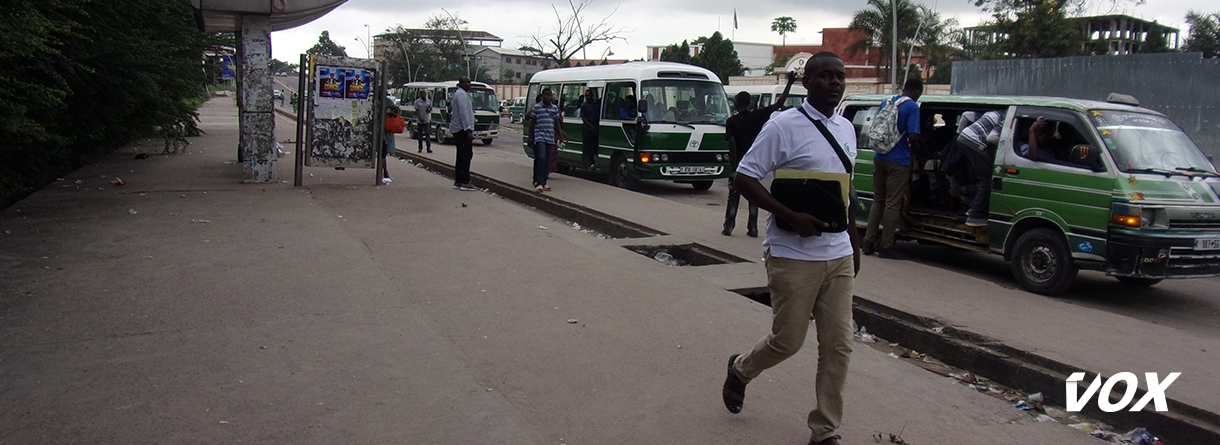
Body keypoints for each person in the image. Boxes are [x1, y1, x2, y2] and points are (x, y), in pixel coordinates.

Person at [721, 52, 861, 445]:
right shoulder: (784, 126)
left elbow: (844, 193)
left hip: (838, 256)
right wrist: (792, 216)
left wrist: (854, 240)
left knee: (839, 345)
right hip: (792, 254)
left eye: (840, 76)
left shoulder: (847, 129)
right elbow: (744, 178)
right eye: (826, 76)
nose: (835, 82)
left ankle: (825, 429)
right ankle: (741, 369)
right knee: (788, 341)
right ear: (806, 83)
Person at [723, 71, 799, 237]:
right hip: (755, 163)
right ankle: (753, 228)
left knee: (733, 197)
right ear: (750, 103)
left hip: (739, 163)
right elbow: (779, 103)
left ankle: (728, 227)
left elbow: (732, 144)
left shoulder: (732, 121)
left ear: (737, 103)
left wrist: (734, 165)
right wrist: (789, 84)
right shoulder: (758, 116)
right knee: (753, 197)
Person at [863, 78, 923, 259]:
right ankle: (886, 246)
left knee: (878, 200)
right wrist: (921, 150)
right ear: (916, 91)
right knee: (892, 204)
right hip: (898, 160)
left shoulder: (887, 102)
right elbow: (913, 135)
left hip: (879, 156)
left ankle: (868, 241)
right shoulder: (912, 106)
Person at [949, 109, 1005, 226]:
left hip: (963, 138)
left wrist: (959, 134)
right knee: (988, 179)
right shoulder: (1003, 119)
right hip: (975, 142)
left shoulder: (990, 114)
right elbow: (992, 138)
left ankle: (972, 208)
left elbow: (965, 115)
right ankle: (976, 215)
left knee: (981, 175)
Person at [529, 88, 564, 192]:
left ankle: (544, 182)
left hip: (550, 137)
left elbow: (556, 123)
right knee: (541, 157)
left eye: (549, 95)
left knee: (548, 161)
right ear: (542, 96)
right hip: (540, 136)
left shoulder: (554, 109)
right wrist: (530, 137)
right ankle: (538, 183)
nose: (548, 97)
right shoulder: (537, 107)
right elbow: (532, 123)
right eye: (546, 95)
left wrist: (560, 135)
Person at [450, 77, 479, 191]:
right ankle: (465, 181)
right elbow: (463, 113)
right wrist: (468, 130)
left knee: (461, 155)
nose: (469, 84)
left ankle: (459, 180)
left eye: (470, 82)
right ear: (460, 83)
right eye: (467, 82)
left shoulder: (459, 94)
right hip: (462, 130)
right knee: (466, 155)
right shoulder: (461, 95)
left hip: (460, 129)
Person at [580, 89, 601, 170]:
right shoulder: (584, 106)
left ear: (592, 96)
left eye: (588, 95)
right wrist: (590, 126)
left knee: (595, 145)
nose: (587, 97)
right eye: (586, 95)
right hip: (587, 128)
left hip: (595, 127)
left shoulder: (596, 105)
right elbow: (583, 117)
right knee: (588, 147)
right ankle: (589, 163)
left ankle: (595, 162)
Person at [381, 104, 399, 185]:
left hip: (386, 129)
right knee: (382, 152)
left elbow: (397, 111)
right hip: (382, 130)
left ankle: (384, 170)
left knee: (383, 153)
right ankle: (384, 170)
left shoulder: (388, 102)